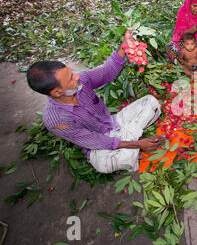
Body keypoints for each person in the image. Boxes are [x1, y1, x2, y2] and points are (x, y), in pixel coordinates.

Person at [26, 30, 166, 174]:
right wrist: (138, 144)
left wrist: (125, 45)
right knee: (104, 165)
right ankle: (131, 142)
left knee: (151, 102)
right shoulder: (56, 121)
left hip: (114, 122)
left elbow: (107, 70)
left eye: (71, 72)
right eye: (70, 79)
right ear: (57, 92)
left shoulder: (81, 79)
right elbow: (96, 141)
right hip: (99, 143)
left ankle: (129, 142)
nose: (76, 77)